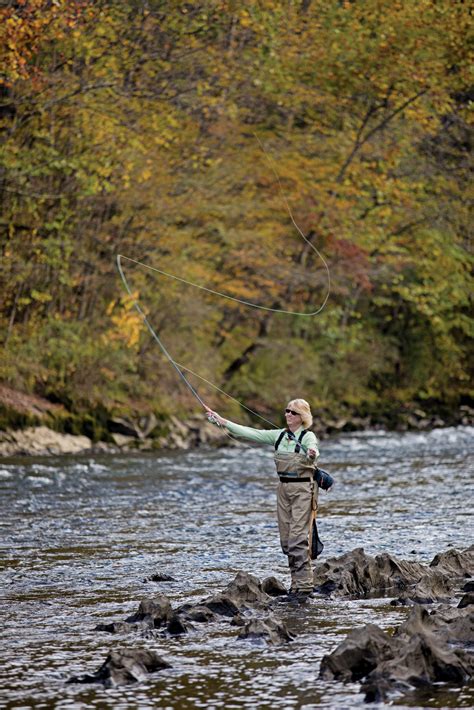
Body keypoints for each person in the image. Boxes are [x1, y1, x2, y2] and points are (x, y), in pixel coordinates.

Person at [205, 399, 319, 599]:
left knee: (297, 538)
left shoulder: (308, 437)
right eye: (287, 411)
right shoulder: (278, 435)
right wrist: (221, 421)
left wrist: (312, 454)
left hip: (303, 489)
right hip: (283, 489)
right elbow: (249, 432)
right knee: (286, 540)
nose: (288, 415)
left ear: (302, 417)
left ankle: (304, 586)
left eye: (292, 412)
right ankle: (296, 583)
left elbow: (313, 451)